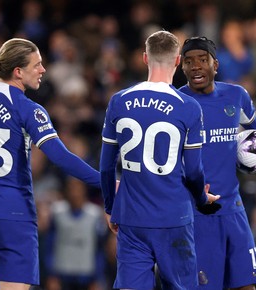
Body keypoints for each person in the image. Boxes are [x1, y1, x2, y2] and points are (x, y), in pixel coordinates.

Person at [99, 30, 221, 290]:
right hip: (173, 218)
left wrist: (111, 207)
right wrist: (201, 199)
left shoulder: (118, 101)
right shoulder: (188, 107)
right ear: (178, 61)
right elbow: (194, 172)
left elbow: (106, 166)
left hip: (131, 218)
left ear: (145, 58)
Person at [0, 38, 101, 290]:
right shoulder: (29, 109)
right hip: (13, 214)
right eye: (37, 65)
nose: (43, 70)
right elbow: (61, 157)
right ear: (18, 72)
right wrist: (104, 181)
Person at [179, 36, 256, 290]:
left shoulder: (236, 96)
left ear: (215, 64)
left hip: (234, 210)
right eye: (189, 62)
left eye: (202, 60)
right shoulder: (177, 102)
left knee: (247, 286)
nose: (196, 66)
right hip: (198, 214)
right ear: (182, 68)